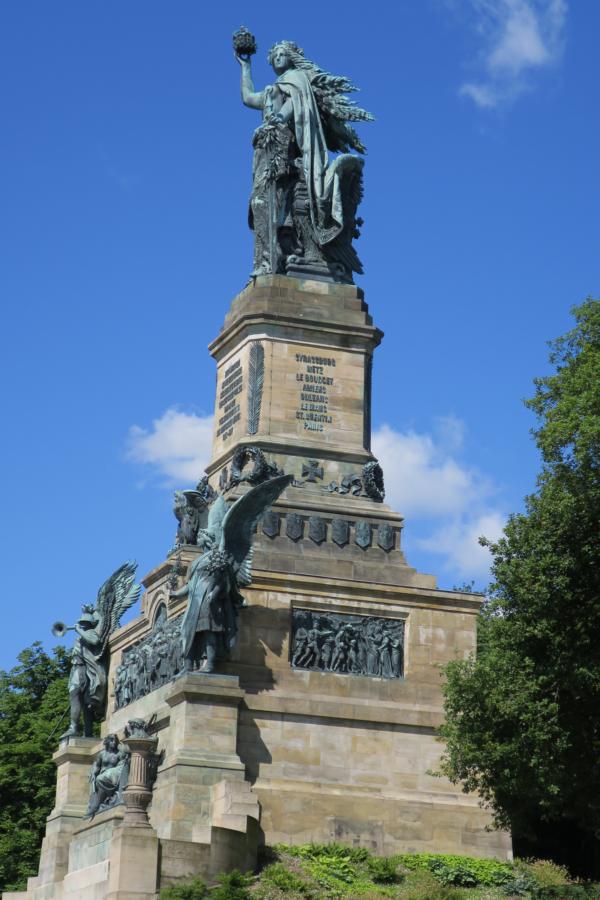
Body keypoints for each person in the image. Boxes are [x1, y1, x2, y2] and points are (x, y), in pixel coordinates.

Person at [236, 40, 372, 281]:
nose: (277, 57)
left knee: (272, 205)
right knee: (260, 204)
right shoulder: (272, 90)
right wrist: (245, 67)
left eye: (282, 53)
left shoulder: (297, 79)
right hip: (267, 151)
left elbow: (294, 104)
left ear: (292, 57)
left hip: (285, 152)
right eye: (274, 55)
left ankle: (272, 262)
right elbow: (248, 98)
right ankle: (267, 262)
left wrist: (277, 120)